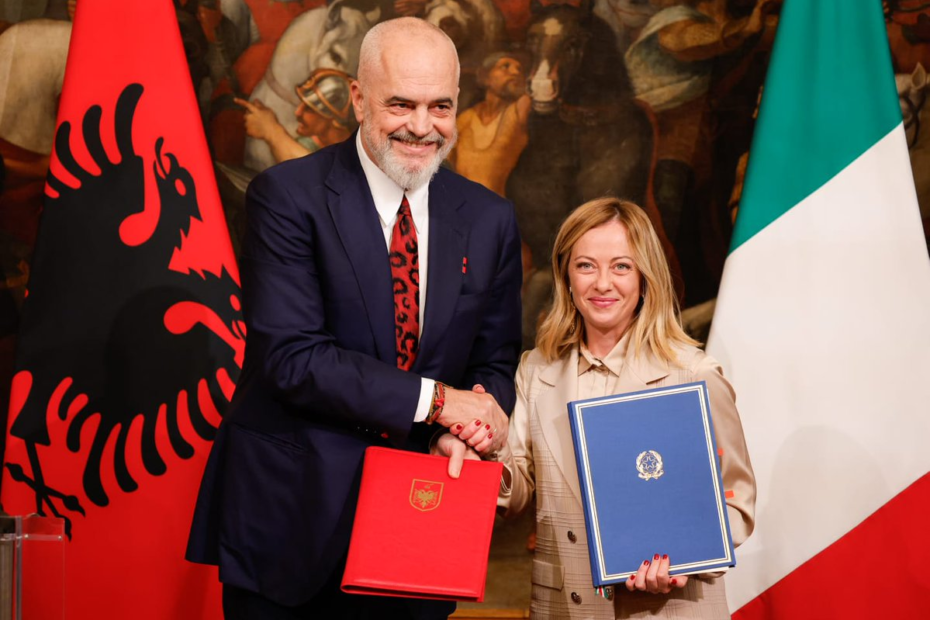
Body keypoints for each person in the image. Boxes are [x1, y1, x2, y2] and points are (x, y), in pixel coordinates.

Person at [186, 17, 523, 620]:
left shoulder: (489, 217)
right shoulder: (286, 197)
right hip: (293, 524)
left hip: (420, 527)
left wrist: (472, 427)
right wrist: (442, 404)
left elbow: (494, 362)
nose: (423, 127)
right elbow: (292, 358)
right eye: (401, 104)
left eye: (440, 106)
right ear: (359, 100)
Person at [439, 197, 755, 618]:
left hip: (669, 607)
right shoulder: (536, 371)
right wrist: (478, 454)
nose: (602, 283)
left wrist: (685, 557)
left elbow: (736, 499)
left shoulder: (693, 374)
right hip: (560, 608)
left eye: (621, 266)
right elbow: (515, 490)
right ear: (566, 276)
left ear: (645, 277)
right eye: (586, 265)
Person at [449, 51, 531, 198]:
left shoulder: (517, 111)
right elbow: (446, 163)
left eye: (519, 70)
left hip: (494, 211)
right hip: (459, 208)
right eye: (505, 66)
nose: (515, 72)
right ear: (486, 77)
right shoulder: (466, 118)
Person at [235, 68, 355, 165]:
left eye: (309, 108)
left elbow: (315, 177)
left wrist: (271, 131)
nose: (298, 112)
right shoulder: (305, 145)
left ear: (334, 118)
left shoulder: (358, 154)